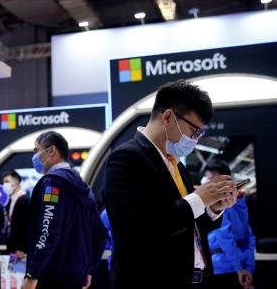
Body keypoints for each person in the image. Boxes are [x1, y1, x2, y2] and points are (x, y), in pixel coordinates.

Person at [102, 79, 238, 289]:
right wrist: (198, 199)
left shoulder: (176, 165)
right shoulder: (126, 158)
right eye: (194, 130)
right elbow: (135, 228)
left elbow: (186, 224)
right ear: (167, 117)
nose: (195, 139)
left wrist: (212, 208)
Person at [22, 131, 108, 289]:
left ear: (51, 151)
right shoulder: (83, 187)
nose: (35, 156)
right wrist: (88, 269)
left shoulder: (53, 184)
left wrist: (32, 274)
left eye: (36, 150)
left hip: (51, 276)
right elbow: (100, 234)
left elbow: (48, 231)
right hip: (76, 276)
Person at [202, 159, 255, 289]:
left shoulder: (222, 203)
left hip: (223, 266)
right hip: (239, 265)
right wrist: (248, 267)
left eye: (208, 177)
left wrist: (239, 268)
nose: (205, 181)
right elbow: (249, 236)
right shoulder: (241, 201)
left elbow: (224, 237)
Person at [2, 170, 31, 257]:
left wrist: (21, 248)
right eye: (3, 182)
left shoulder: (24, 200)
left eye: (7, 181)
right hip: (12, 249)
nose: (4, 185)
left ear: (16, 182)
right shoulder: (11, 200)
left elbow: (26, 227)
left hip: (21, 251)